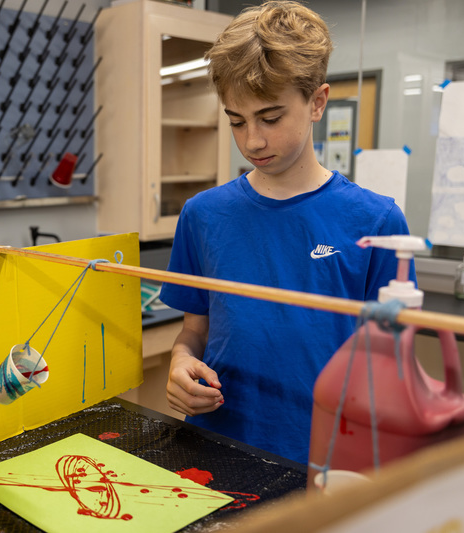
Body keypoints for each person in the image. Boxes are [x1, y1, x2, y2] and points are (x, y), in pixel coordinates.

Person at [159, 0, 415, 465]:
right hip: (218, 443)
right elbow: (194, 331)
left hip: (325, 455)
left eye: (271, 118)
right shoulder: (202, 215)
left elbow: (392, 365)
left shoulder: (376, 223)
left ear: (317, 102)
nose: (252, 140)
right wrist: (180, 361)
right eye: (236, 121)